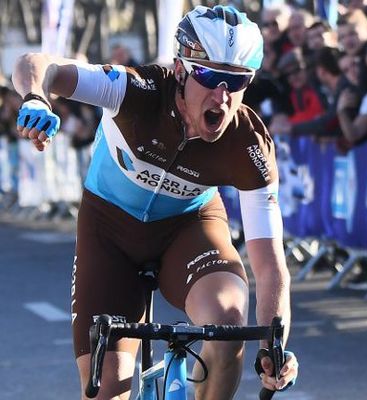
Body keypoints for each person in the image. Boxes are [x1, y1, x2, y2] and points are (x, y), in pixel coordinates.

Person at [12, 5, 298, 400]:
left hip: (189, 228)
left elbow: (269, 264)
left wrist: (274, 342)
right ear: (181, 70)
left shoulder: (249, 145)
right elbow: (36, 63)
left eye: (238, 81)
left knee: (229, 326)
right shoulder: (135, 90)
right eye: (212, 76)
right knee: (107, 390)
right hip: (108, 230)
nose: (223, 95)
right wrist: (36, 97)